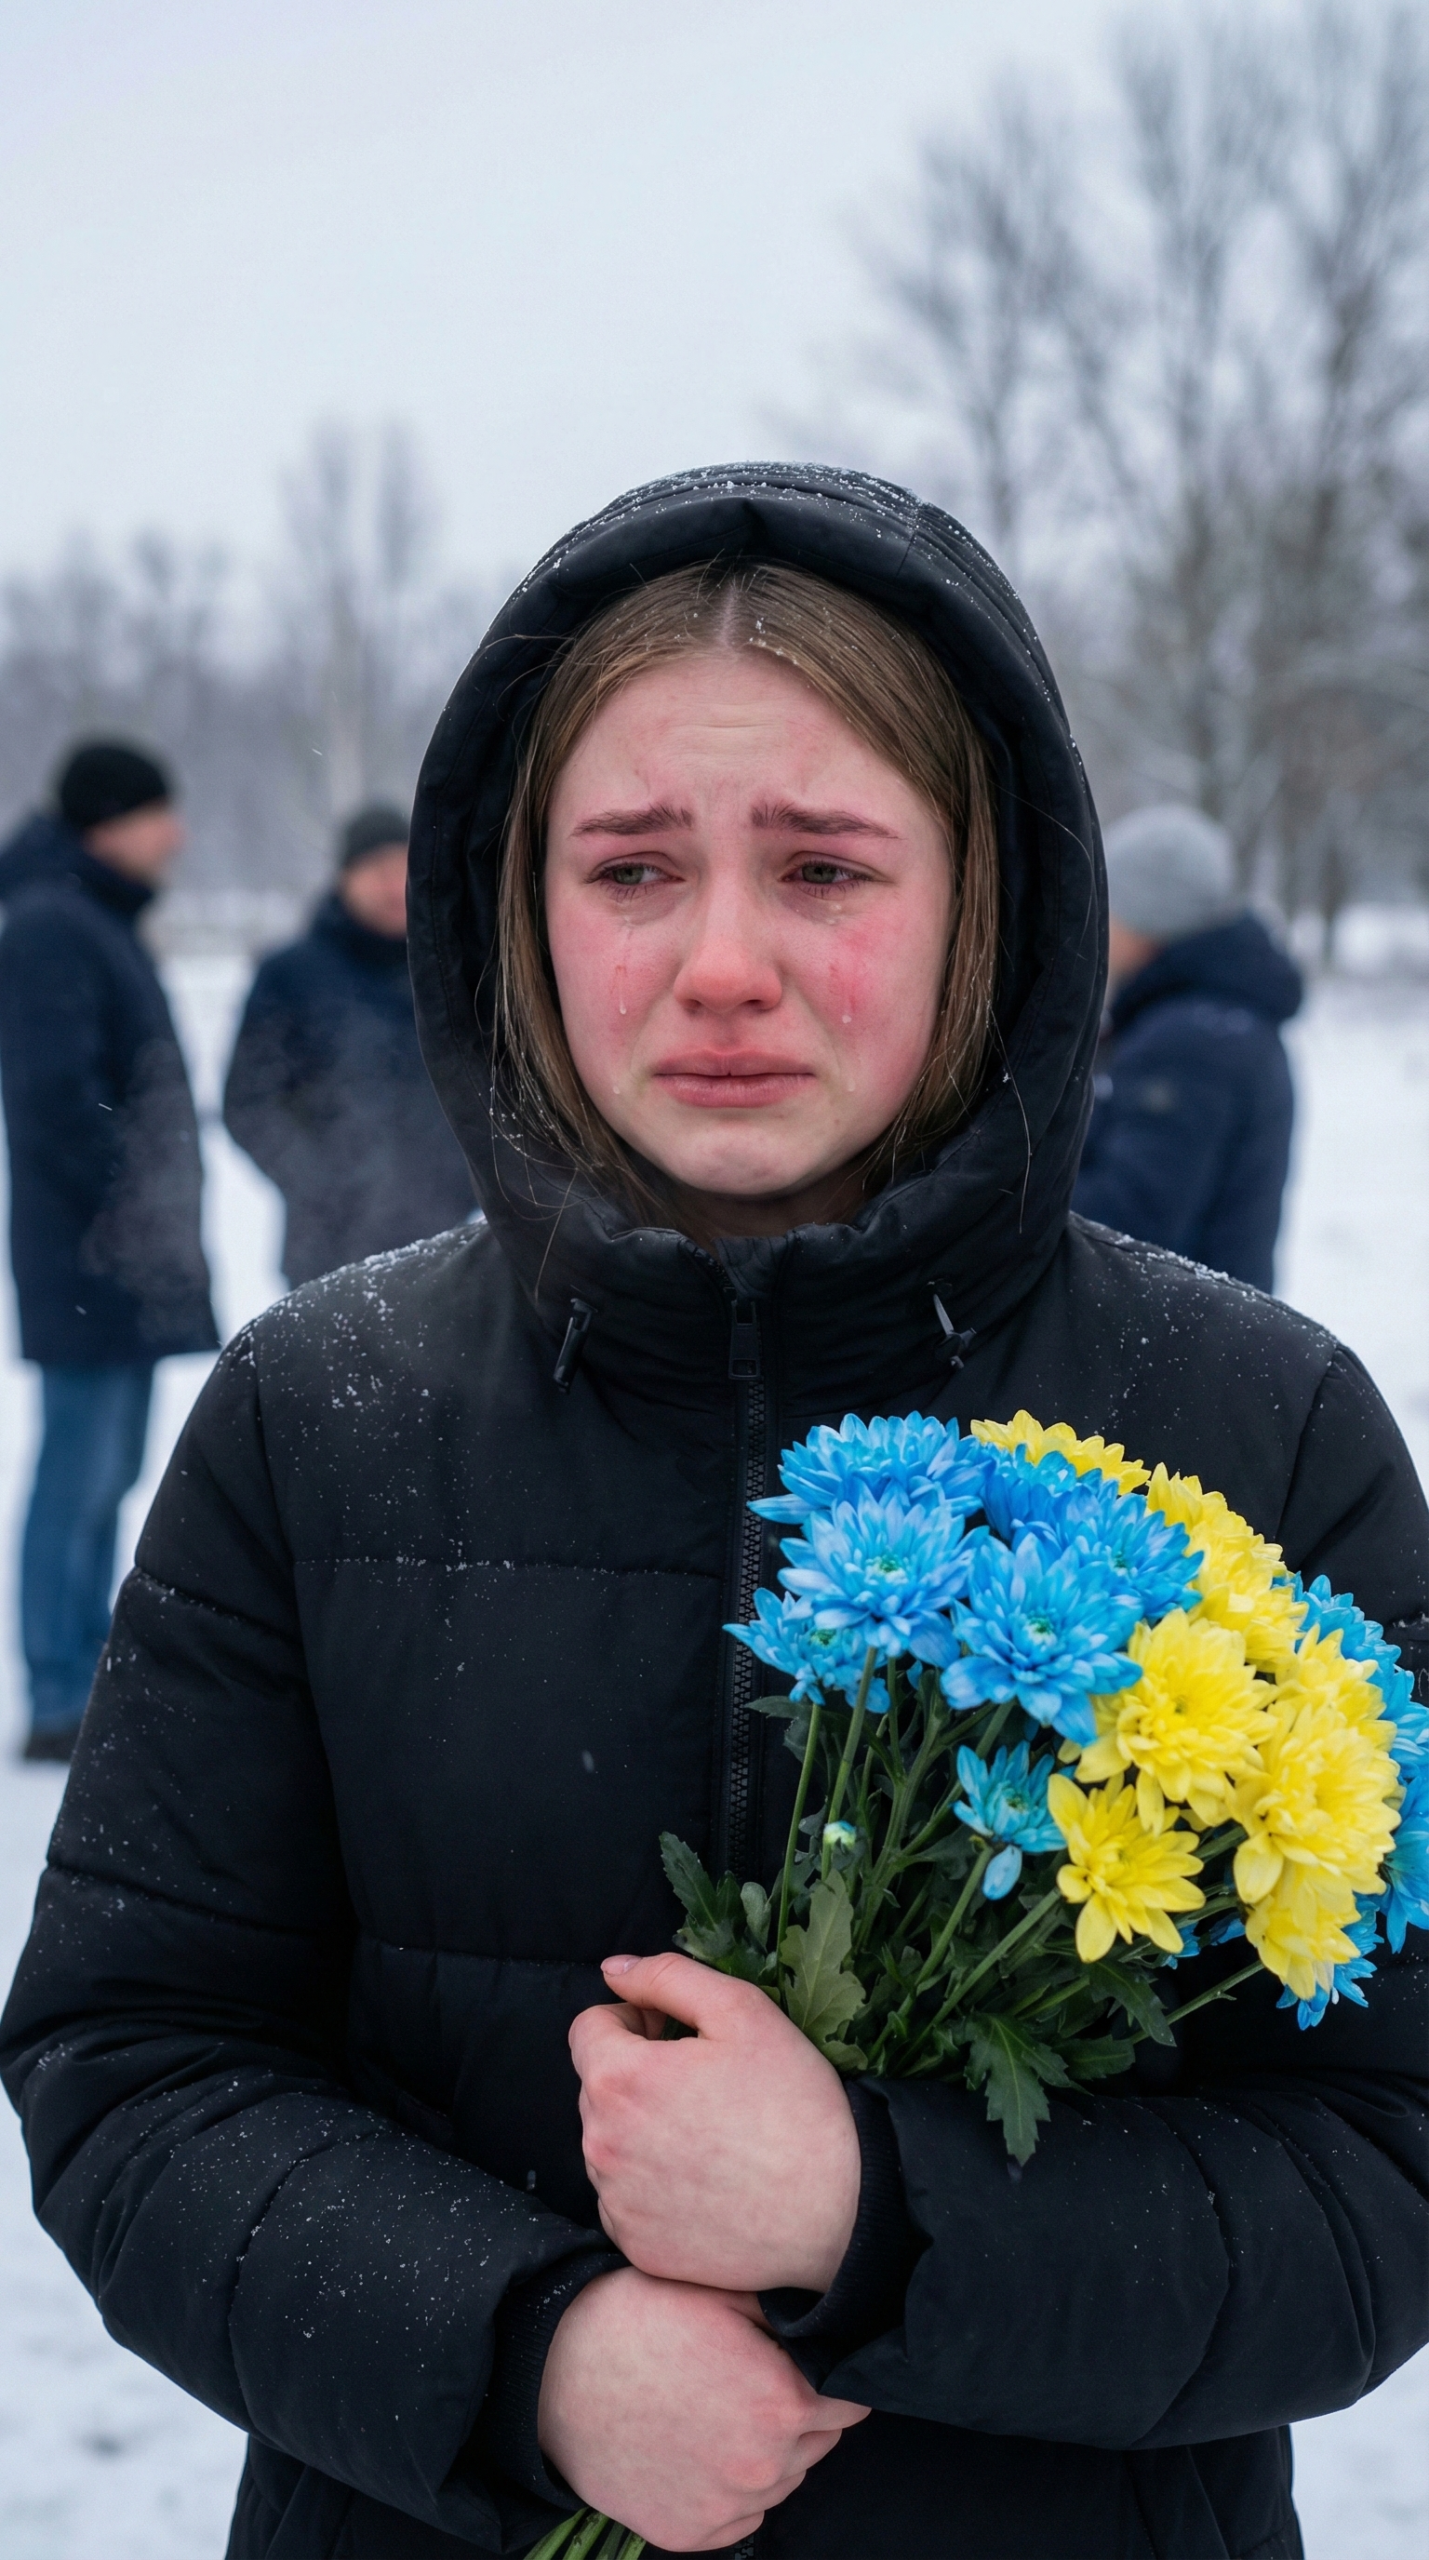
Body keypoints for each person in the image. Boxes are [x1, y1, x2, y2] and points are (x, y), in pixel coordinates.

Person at [3, 470, 1426, 2560]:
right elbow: (135, 2066)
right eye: (634, 866)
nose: (721, 963)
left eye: (827, 865)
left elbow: (1380, 2164)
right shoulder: (317, 1422)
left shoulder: (1255, 1426)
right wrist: (524, 2350)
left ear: (992, 900)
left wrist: (881, 2203)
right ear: (521, 902)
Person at [0, 739, 217, 1763]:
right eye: (157, 813)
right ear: (108, 820)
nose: (172, 833)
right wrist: (130, 1210)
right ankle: (54, 1687)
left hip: (122, 1255)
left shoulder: (93, 918)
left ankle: (82, 1663)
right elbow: (57, 1104)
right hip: (89, 1258)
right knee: (77, 1472)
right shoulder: (52, 926)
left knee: (112, 1469)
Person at [222, 804, 473, 1287]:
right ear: (344, 878)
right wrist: (319, 1183)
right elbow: (249, 1103)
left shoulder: (454, 970)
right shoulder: (291, 976)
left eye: (404, 867)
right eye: (376, 869)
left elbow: (490, 1091)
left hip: (444, 1247)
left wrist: (464, 1183)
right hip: (326, 1251)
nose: (391, 884)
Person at [1073, 804, 1303, 1289]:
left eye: (1108, 904)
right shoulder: (1216, 1019)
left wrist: (1007, 1201)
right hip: (1210, 1334)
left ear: (1149, 917)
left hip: (1181, 1348)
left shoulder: (1191, 1043)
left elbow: (1127, 1223)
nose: (1096, 922)